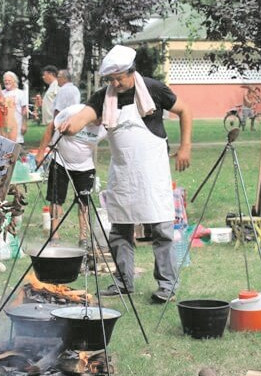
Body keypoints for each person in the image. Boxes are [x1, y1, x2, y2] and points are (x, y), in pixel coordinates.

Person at [57, 45, 193, 303]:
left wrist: (185, 147)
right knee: (120, 230)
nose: (116, 83)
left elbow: (185, 111)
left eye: (120, 77)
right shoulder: (103, 98)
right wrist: (69, 126)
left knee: (162, 230)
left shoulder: (153, 89)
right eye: (111, 79)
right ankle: (123, 282)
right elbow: (83, 116)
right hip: (123, 172)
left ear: (132, 71)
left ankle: (166, 286)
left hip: (153, 172)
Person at [38, 70, 104, 250]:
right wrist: (41, 152)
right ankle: (54, 232)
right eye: (98, 118)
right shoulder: (73, 112)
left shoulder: (107, 124)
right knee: (56, 200)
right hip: (61, 161)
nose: (100, 123)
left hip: (84, 166)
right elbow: (52, 126)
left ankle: (83, 236)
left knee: (84, 202)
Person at [2, 71, 28, 145]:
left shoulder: (20, 93)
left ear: (14, 81)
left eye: (9, 80)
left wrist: (24, 124)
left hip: (16, 126)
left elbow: (24, 110)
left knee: (15, 149)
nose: (7, 82)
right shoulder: (1, 93)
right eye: (5, 80)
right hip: (4, 127)